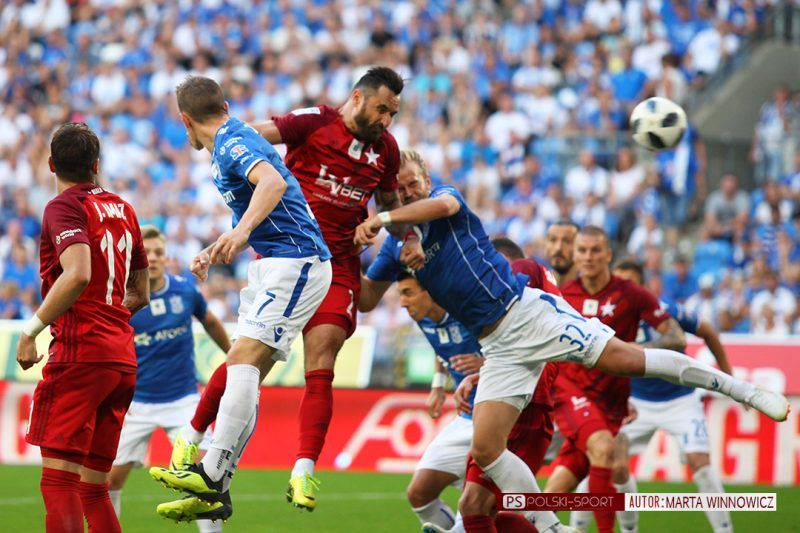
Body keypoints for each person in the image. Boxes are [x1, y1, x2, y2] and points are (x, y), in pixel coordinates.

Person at [353, 152, 788, 533]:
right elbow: (368, 299)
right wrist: (346, 247)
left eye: (413, 183)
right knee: (485, 450)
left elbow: (442, 205)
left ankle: (743, 390)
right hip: (498, 346)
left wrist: (386, 219)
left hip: (526, 314)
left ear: (426, 180)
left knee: (624, 359)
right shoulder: (394, 248)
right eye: (399, 189)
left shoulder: (444, 200)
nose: (407, 192)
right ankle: (552, 527)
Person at [170, 66, 415, 511]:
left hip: (333, 263)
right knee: (247, 360)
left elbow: (390, 209)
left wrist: (384, 225)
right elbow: (252, 137)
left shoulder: (387, 151)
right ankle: (201, 453)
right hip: (282, 253)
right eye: (382, 109)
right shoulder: (314, 121)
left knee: (319, 357)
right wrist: (221, 139)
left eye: (392, 113)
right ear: (357, 98)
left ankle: (301, 469)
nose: (386, 120)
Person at [148, 76, 332, 523]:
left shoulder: (232, 140)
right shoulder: (227, 144)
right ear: (225, 105)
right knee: (241, 367)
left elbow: (272, 183)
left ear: (185, 121)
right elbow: (261, 205)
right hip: (276, 261)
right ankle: (218, 491)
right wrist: (218, 245)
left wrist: (241, 231)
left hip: (296, 260)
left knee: (243, 360)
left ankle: (210, 473)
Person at [18, 122, 150, 533]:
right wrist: (108, 318)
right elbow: (141, 292)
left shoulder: (62, 207)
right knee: (94, 490)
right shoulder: (124, 208)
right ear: (96, 165)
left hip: (81, 355)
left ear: (51, 164)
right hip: (121, 360)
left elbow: (77, 274)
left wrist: (30, 331)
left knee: (59, 482)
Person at [568, 259, 733, 533]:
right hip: (633, 402)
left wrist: (730, 379)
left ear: (640, 286)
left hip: (680, 400)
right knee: (607, 464)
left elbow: (707, 332)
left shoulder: (664, 310)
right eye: (618, 282)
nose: (621, 289)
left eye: (629, 282)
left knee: (700, 464)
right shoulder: (604, 317)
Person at [544, 226, 688, 533]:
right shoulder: (561, 295)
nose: (588, 257)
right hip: (570, 392)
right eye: (582, 250)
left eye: (595, 250)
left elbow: (676, 338)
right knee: (604, 450)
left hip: (610, 403)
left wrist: (633, 350)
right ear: (575, 255)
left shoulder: (631, 294)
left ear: (608, 254)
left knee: (553, 494)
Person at [108, 225, 231, 533]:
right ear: (136, 258)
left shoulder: (185, 291)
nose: (152, 258)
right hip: (136, 404)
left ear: (166, 257)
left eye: (158, 252)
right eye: (146, 252)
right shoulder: (124, 301)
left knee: (205, 477)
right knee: (109, 481)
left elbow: (210, 321)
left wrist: (234, 357)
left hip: (183, 401)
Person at [396, 271, 483, 531]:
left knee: (478, 504)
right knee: (419, 493)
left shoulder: (468, 312)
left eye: (408, 293)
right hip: (466, 418)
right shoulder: (424, 318)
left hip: (499, 418)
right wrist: (438, 384)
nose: (402, 302)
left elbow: (515, 349)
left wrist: (485, 363)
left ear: (430, 292)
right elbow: (440, 345)